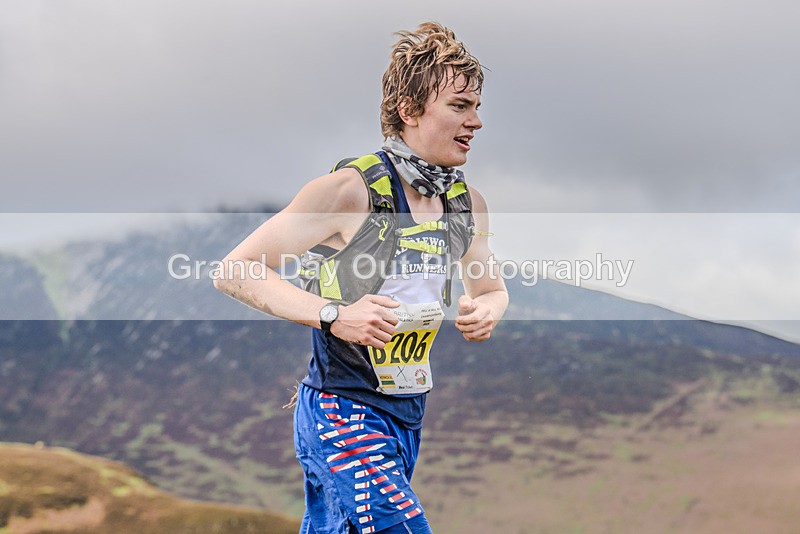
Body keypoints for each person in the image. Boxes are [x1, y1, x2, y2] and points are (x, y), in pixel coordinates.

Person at [214, 21, 508, 534]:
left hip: (407, 412)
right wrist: (334, 315)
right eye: (460, 106)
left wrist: (487, 311)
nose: (477, 121)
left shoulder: (466, 204)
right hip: (341, 409)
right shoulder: (350, 191)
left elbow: (491, 289)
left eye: (477, 106)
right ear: (409, 111)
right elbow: (236, 271)